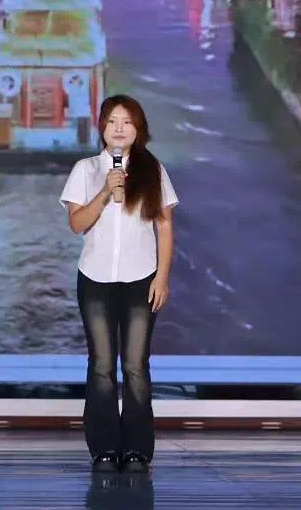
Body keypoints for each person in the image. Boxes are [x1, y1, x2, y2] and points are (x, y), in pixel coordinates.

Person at [59, 95, 177, 473]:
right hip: (95, 279)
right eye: (112, 121)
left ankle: (138, 449)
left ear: (138, 129)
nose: (120, 128)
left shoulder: (153, 170)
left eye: (127, 122)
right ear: (102, 128)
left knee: (136, 364)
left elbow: (164, 227)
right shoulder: (86, 169)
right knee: (101, 365)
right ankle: (105, 449)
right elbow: (77, 224)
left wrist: (162, 276)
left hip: (141, 279)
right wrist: (105, 192)